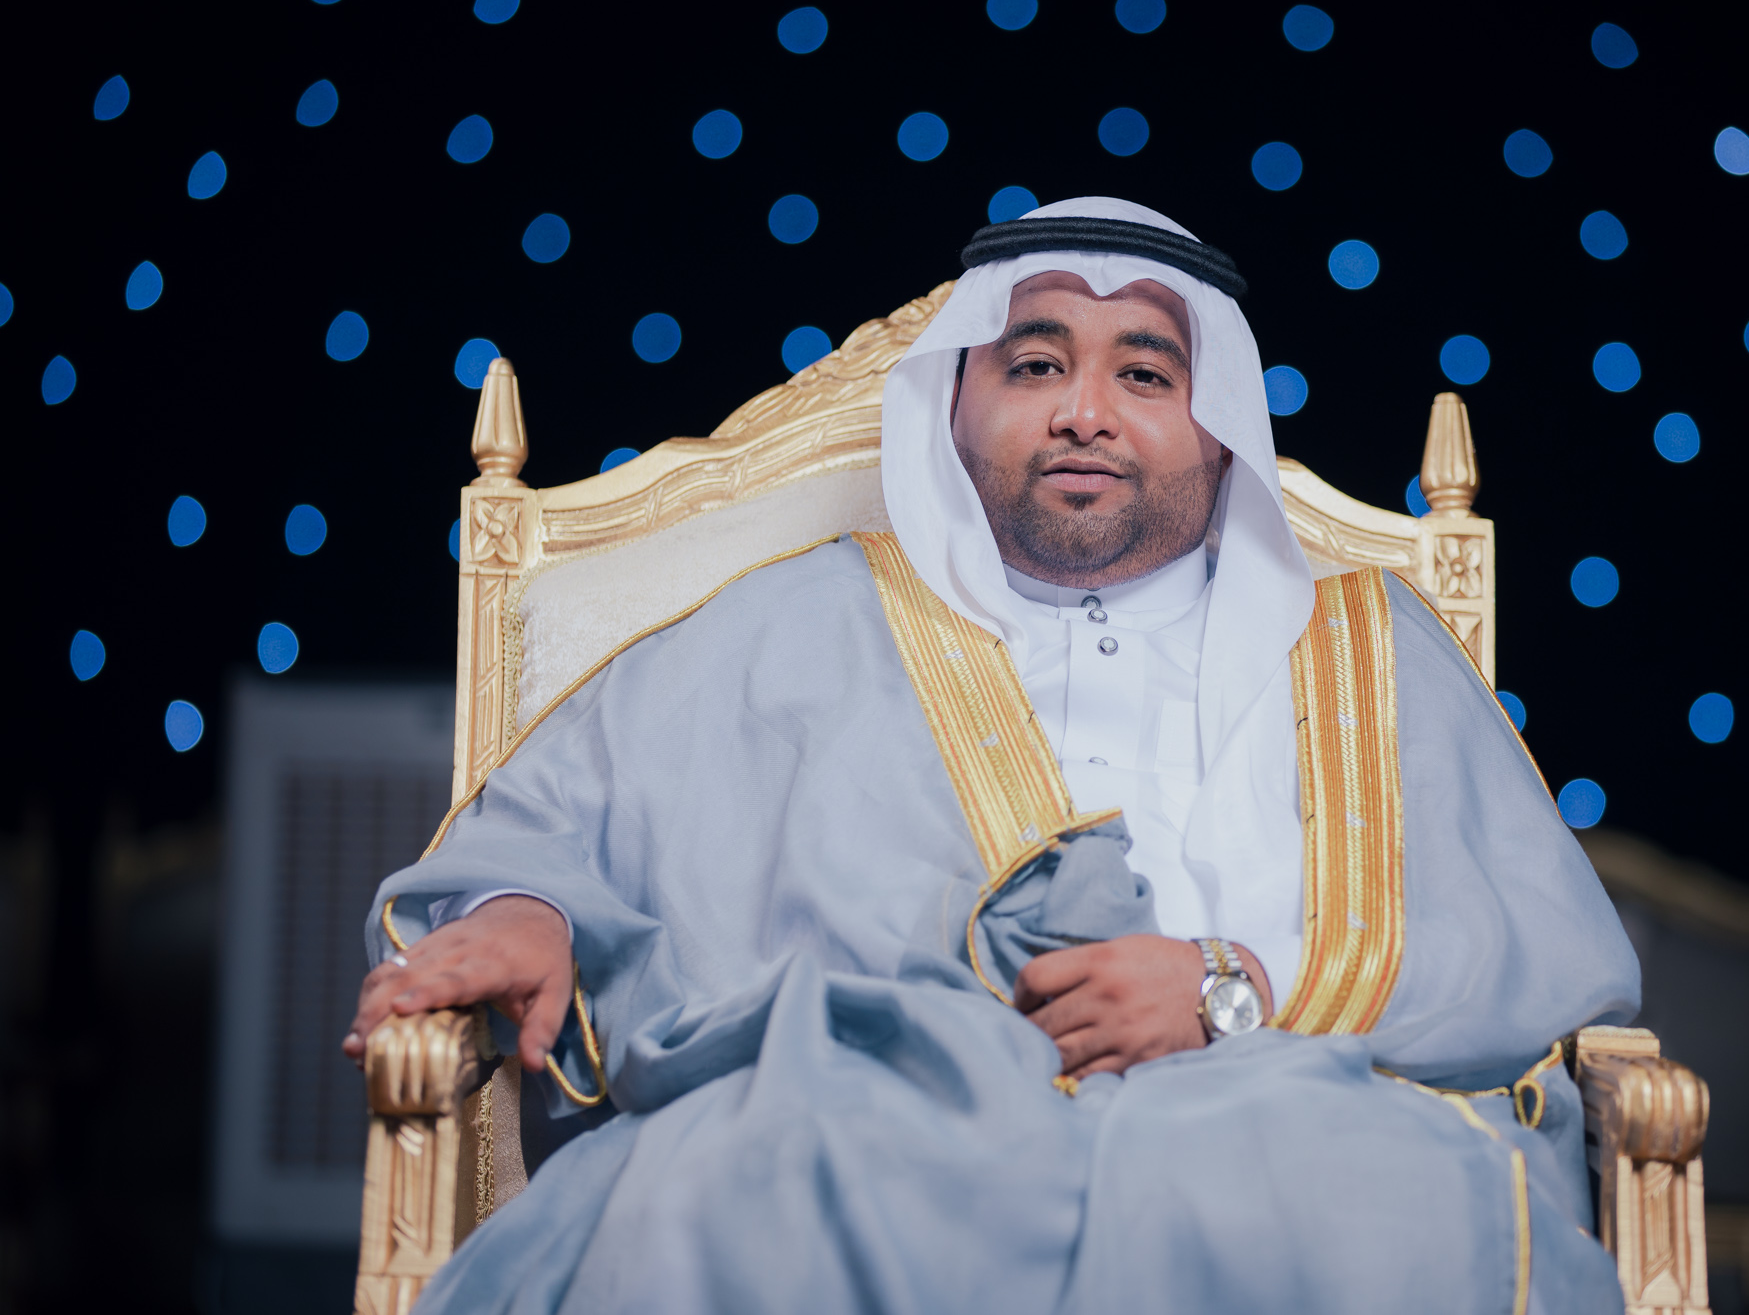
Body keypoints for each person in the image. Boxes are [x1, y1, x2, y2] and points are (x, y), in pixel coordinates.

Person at [348, 197, 1640, 1314]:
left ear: (1220, 423)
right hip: (872, 1124)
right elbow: (550, 829)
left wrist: (1232, 987)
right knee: (732, 1184)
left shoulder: (1368, 648)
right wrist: (525, 913)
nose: (1084, 413)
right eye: (1034, 365)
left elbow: (1538, 959)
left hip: (1288, 1102)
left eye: (1145, 374)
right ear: (956, 404)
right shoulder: (795, 624)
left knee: (1391, 1196)